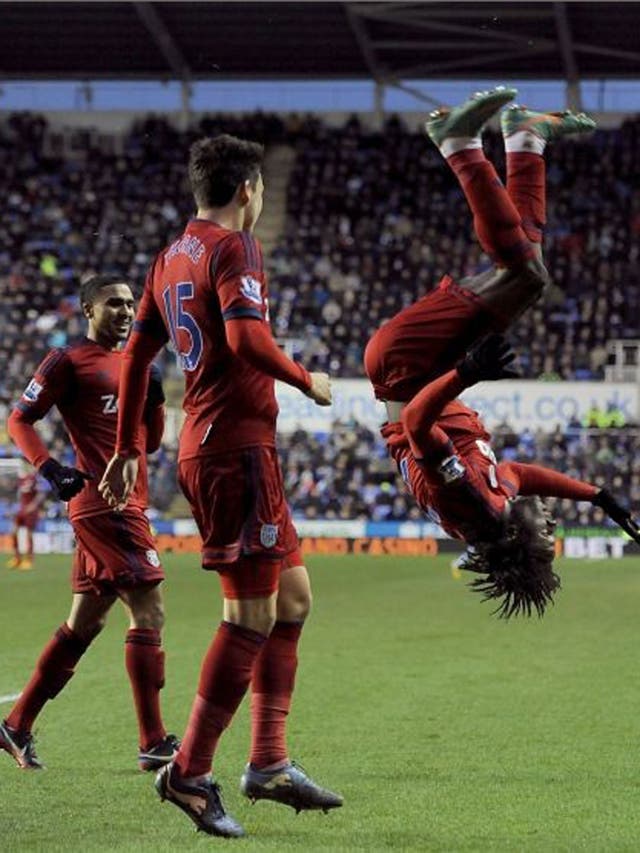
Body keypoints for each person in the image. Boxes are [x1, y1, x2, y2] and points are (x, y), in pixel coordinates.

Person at [99, 135, 342, 838]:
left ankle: (267, 760)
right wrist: (307, 379)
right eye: (259, 188)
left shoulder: (171, 254)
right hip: (234, 450)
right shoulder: (236, 247)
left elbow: (137, 354)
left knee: (293, 598)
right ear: (247, 191)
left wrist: (127, 448)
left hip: (216, 446)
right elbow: (245, 340)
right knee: (249, 618)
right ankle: (190, 772)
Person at [2, 275, 177, 772]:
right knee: (150, 610)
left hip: (129, 500)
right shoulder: (68, 361)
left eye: (130, 304)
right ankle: (153, 740)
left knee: (85, 623)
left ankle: (15, 723)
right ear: (87, 310)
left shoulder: (139, 363)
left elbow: (154, 442)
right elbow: (20, 419)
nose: (125, 311)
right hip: (105, 505)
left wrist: (156, 396)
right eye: (113, 304)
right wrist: (50, 468)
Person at [364, 86, 596, 404]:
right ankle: (525, 141)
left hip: (402, 367)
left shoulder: (427, 448)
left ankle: (460, 146)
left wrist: (465, 375)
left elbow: (414, 427)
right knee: (529, 275)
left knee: (528, 277)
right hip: (416, 364)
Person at [382, 334, 640, 617]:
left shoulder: (465, 494)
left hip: (409, 385)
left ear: (516, 532)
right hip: (431, 390)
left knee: (503, 299)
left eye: (544, 531)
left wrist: (465, 373)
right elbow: (517, 473)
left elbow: (415, 422)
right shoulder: (494, 511)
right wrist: (597, 496)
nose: (552, 522)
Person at [6, 467, 45, 570]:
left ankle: (29, 560)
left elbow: (41, 494)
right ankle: (17, 558)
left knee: (29, 534)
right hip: (21, 509)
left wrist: (34, 505)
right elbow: (18, 494)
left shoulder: (35, 478)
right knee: (13, 532)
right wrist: (13, 507)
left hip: (31, 510)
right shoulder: (21, 479)